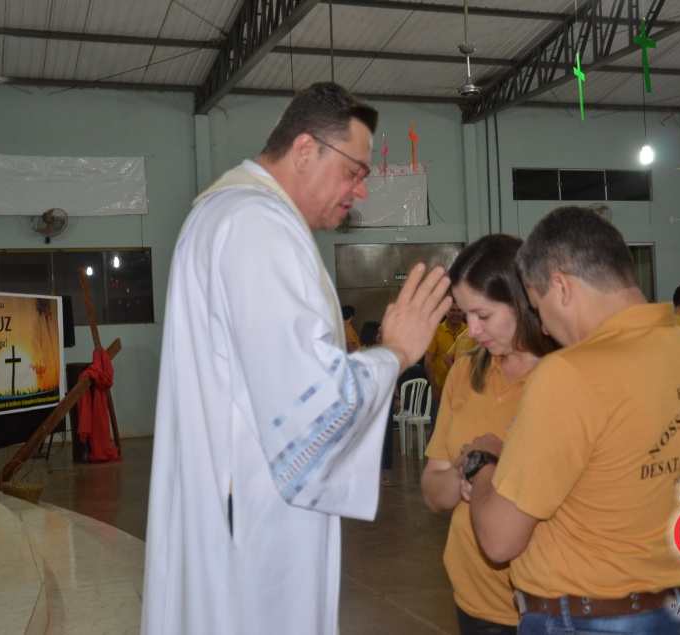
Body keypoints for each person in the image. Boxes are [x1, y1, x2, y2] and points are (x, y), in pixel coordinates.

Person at [142, 82, 452, 635]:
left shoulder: (230, 214)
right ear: (305, 150)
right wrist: (397, 351)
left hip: (236, 503)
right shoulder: (256, 225)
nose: (360, 191)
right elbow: (310, 409)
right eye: (355, 171)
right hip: (255, 528)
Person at [464, 206, 680, 635]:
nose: (545, 328)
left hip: (589, 617)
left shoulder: (571, 372)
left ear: (562, 286)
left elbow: (499, 540)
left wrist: (483, 462)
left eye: (538, 306)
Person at [422, 234, 556, 635]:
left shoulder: (565, 378)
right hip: (475, 599)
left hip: (548, 601)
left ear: (522, 300)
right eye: (465, 316)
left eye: (483, 315)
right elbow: (432, 491)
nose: (472, 330)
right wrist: (467, 468)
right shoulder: (465, 374)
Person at [360, 320, 393, 487]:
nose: (382, 336)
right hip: (368, 404)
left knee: (386, 440)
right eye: (378, 333)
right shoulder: (361, 355)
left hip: (385, 402)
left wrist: (397, 398)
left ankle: (384, 474)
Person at [425, 299, 466, 422]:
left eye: (459, 310)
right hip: (441, 390)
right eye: (452, 310)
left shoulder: (470, 331)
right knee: (438, 429)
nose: (456, 313)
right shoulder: (435, 331)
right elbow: (428, 361)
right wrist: (434, 388)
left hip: (464, 390)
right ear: (446, 312)